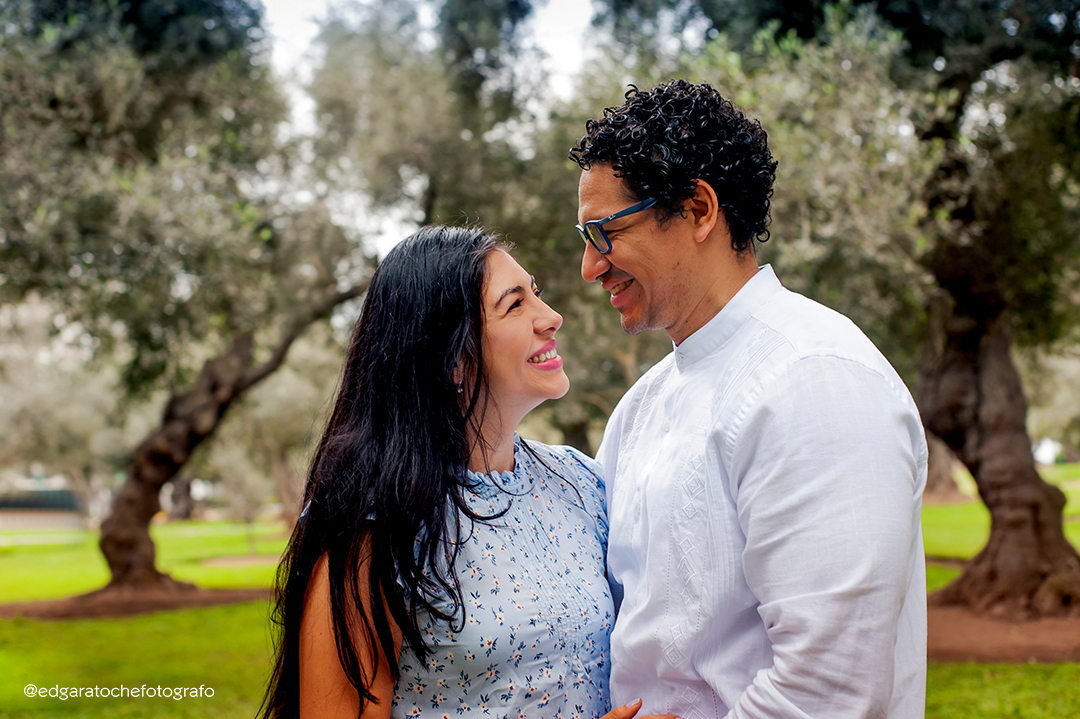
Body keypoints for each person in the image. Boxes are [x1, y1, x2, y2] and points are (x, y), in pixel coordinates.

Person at [570, 80, 928, 718]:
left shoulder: (814, 378)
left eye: (607, 233)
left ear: (699, 209)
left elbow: (830, 691)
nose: (590, 267)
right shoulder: (640, 408)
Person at [260, 226, 676, 719]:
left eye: (536, 292)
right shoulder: (374, 524)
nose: (551, 317)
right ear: (452, 359)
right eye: (514, 305)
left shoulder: (581, 483)